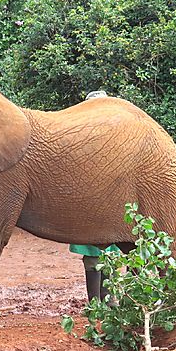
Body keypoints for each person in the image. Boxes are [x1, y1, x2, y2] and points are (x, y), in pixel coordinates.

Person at [69, 90, 118, 303]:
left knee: (112, 252)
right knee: (92, 254)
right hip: (88, 203)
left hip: (111, 203)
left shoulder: (119, 136)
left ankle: (107, 299)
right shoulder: (78, 136)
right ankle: (95, 303)